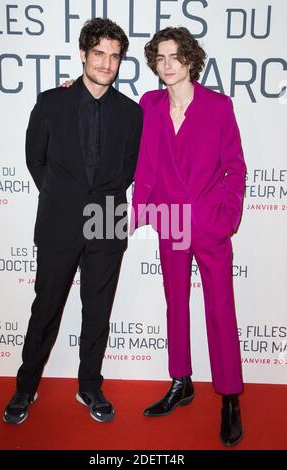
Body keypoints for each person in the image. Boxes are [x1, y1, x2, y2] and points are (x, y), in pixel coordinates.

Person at [3, 17, 143, 425]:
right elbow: (36, 158)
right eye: (98, 53)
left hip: (107, 217)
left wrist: (102, 200)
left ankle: (90, 386)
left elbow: (130, 167)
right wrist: (64, 196)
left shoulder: (131, 113)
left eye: (114, 56)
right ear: (83, 54)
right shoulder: (51, 102)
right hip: (60, 219)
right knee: (46, 307)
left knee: (98, 309)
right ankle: (25, 387)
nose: (106, 63)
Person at [130, 27, 246, 446]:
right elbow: (137, 150)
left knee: (220, 309)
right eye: (160, 58)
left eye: (175, 56)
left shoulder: (218, 106)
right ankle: (181, 381)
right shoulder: (149, 104)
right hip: (171, 223)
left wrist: (227, 216)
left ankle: (230, 395)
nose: (167, 65)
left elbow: (236, 166)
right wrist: (73, 90)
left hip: (210, 225)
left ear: (191, 59)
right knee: (175, 304)